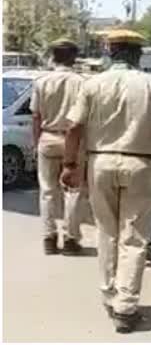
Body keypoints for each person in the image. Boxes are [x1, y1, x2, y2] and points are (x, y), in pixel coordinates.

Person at [61, 29, 151, 333]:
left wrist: (69, 164)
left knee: (107, 232)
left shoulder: (92, 84)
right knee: (134, 238)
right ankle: (126, 307)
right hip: (142, 164)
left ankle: (110, 294)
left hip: (100, 162)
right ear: (137, 54)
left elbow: (73, 127)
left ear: (110, 52)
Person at [31, 38, 87, 255]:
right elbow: (84, 120)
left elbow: (36, 116)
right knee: (73, 191)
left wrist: (37, 144)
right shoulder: (82, 82)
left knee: (47, 191)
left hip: (47, 137)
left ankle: (49, 237)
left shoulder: (41, 81)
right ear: (73, 57)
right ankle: (71, 239)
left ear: (53, 56)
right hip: (73, 140)